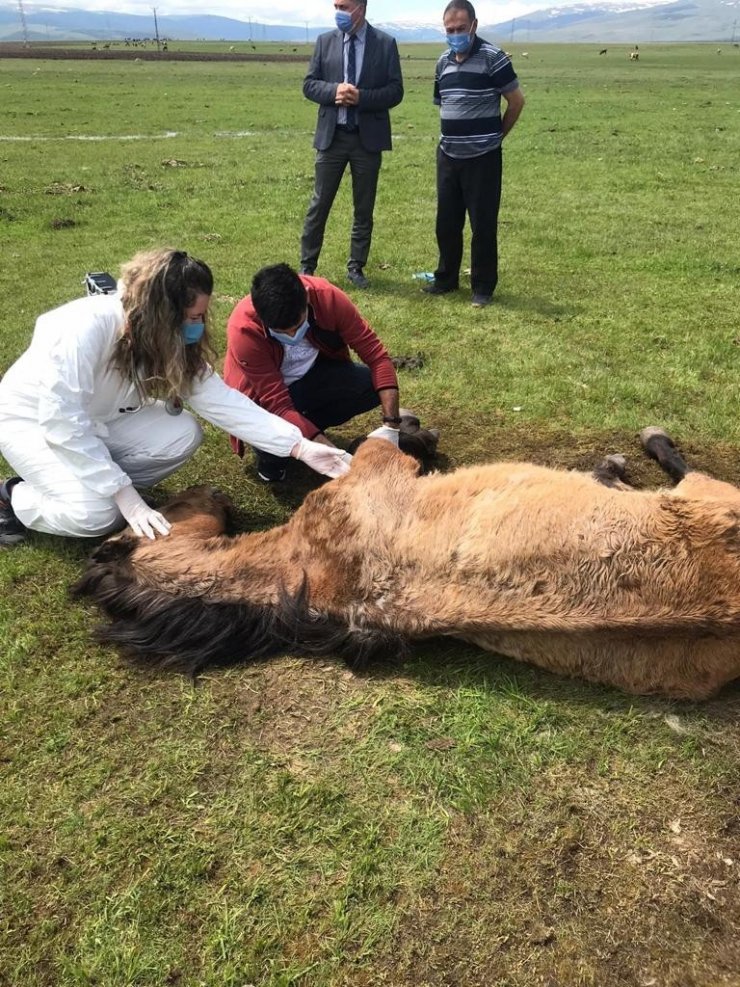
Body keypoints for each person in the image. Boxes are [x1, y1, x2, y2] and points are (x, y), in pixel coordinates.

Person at [0, 249, 351, 546]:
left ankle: (105, 485)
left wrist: (300, 447)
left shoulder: (160, 335)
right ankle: (13, 496)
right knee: (94, 515)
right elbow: (62, 422)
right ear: (161, 313)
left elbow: (222, 401)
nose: (199, 325)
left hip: (102, 417)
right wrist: (124, 498)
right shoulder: (81, 328)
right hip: (32, 422)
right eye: (193, 317)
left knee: (182, 433)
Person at [224, 263, 401, 483]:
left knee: (369, 385)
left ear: (307, 298)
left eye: (298, 325)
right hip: (264, 400)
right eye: (281, 332)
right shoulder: (244, 330)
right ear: (261, 317)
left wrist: (391, 424)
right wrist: (331, 453)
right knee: (273, 440)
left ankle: (306, 429)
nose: (292, 334)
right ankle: (270, 455)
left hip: (312, 377)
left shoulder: (328, 298)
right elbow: (277, 404)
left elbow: (377, 357)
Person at [423, 0, 525, 308]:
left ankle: (482, 287)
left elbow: (516, 101)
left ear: (474, 26)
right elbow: (445, 104)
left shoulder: (493, 58)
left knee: (483, 224)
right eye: (450, 30)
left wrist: (496, 137)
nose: (455, 34)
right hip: (448, 155)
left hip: (483, 157)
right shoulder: (442, 62)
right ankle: (446, 279)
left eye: (460, 29)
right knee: (447, 222)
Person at [300, 0, 404, 289]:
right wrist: (334, 91)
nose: (339, 12)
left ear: (361, 7)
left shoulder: (385, 44)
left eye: (344, 6)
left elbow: (396, 91)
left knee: (363, 206)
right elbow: (309, 84)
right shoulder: (324, 42)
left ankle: (356, 267)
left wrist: (361, 97)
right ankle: (307, 266)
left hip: (366, 140)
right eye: (335, 5)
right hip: (332, 138)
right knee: (319, 203)